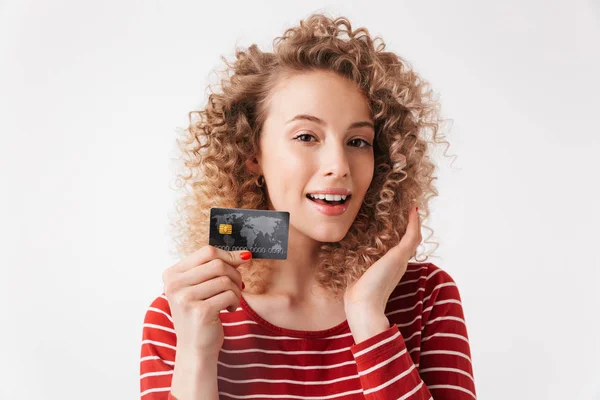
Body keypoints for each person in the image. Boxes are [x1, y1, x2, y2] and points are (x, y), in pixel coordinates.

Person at [140, 13, 476, 400]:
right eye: (306, 136)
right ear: (252, 153)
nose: (338, 165)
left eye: (358, 141)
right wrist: (197, 356)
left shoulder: (424, 298)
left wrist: (368, 318)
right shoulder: (185, 311)